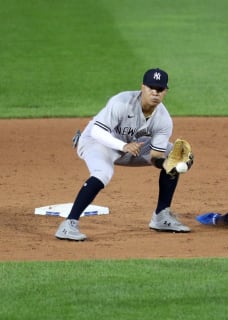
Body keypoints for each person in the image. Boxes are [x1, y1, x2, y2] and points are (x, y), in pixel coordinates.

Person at [55, 68, 191, 241]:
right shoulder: (121, 102)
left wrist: (170, 164)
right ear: (142, 87)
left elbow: (155, 157)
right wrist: (123, 145)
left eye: (160, 89)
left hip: (132, 147)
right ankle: (68, 224)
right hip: (97, 141)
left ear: (166, 91)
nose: (155, 92)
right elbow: (98, 132)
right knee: (103, 172)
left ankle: (161, 217)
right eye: (151, 87)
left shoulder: (163, 120)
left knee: (175, 153)